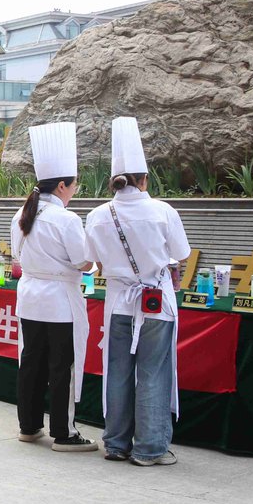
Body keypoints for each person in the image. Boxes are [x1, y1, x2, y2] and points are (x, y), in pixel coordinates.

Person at [85, 117, 191, 467]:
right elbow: (182, 253)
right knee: (152, 372)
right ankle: (148, 448)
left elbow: (94, 261)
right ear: (144, 179)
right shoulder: (163, 211)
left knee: (117, 372)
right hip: (156, 302)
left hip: (119, 303)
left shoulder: (97, 215)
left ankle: (116, 443)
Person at [11, 122, 97, 452]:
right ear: (62, 186)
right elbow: (84, 262)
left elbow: (17, 255)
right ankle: (64, 432)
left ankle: (29, 425)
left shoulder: (21, 214)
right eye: (74, 185)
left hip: (30, 298)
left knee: (31, 363)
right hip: (60, 301)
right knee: (62, 367)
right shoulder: (66, 219)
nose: (74, 191)